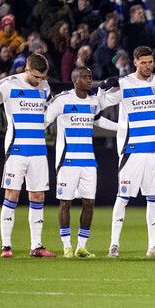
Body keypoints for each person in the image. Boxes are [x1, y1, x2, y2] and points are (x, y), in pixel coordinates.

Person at [96, 46, 155, 258]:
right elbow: (99, 104)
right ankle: (113, 245)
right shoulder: (125, 84)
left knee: (153, 198)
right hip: (132, 150)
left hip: (154, 149)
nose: (148, 66)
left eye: (151, 62)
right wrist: (103, 88)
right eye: (144, 62)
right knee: (123, 197)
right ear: (135, 62)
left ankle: (153, 246)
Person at [45, 67, 117, 259]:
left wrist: (122, 128)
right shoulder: (62, 100)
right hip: (67, 161)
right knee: (65, 203)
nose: (89, 80)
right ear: (75, 80)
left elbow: (97, 120)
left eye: (90, 77)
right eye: (86, 77)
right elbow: (44, 120)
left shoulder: (93, 101)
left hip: (88, 162)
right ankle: (67, 246)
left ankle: (81, 246)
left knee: (89, 203)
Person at [0, 53, 55, 258]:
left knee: (38, 195)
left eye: (43, 77)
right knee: (11, 195)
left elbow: (49, 109)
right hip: (17, 150)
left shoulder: (45, 87)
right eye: (37, 77)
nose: (40, 81)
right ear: (27, 70)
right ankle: (6, 246)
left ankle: (37, 246)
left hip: (39, 150)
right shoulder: (8, 85)